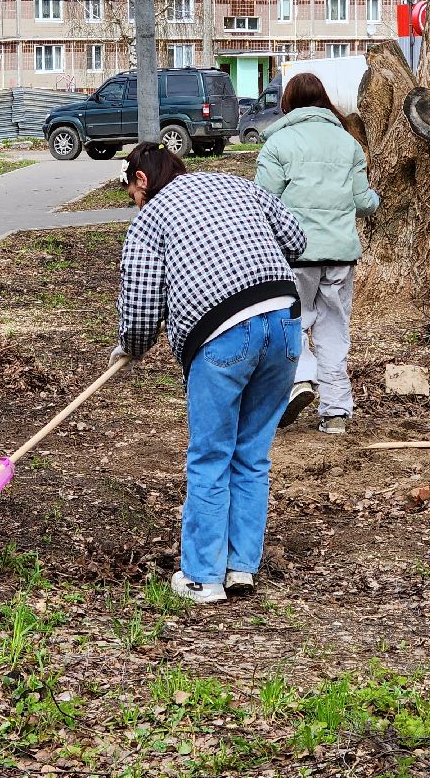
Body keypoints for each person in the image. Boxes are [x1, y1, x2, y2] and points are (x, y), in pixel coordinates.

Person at [112, 143, 307, 605]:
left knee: (210, 455)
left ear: (141, 180)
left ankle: (202, 578)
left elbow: (140, 308)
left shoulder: (151, 217)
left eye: (131, 192)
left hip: (222, 335)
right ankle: (241, 568)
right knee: (252, 455)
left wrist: (133, 345)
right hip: (283, 322)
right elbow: (296, 240)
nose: (134, 202)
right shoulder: (236, 184)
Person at [255, 72, 380, 435]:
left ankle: (299, 382)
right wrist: (377, 200)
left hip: (293, 254)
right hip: (340, 254)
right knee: (334, 330)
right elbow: (363, 201)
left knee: (290, 325)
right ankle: (336, 412)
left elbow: (263, 201)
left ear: (287, 103)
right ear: (323, 100)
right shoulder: (349, 144)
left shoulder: (278, 144)